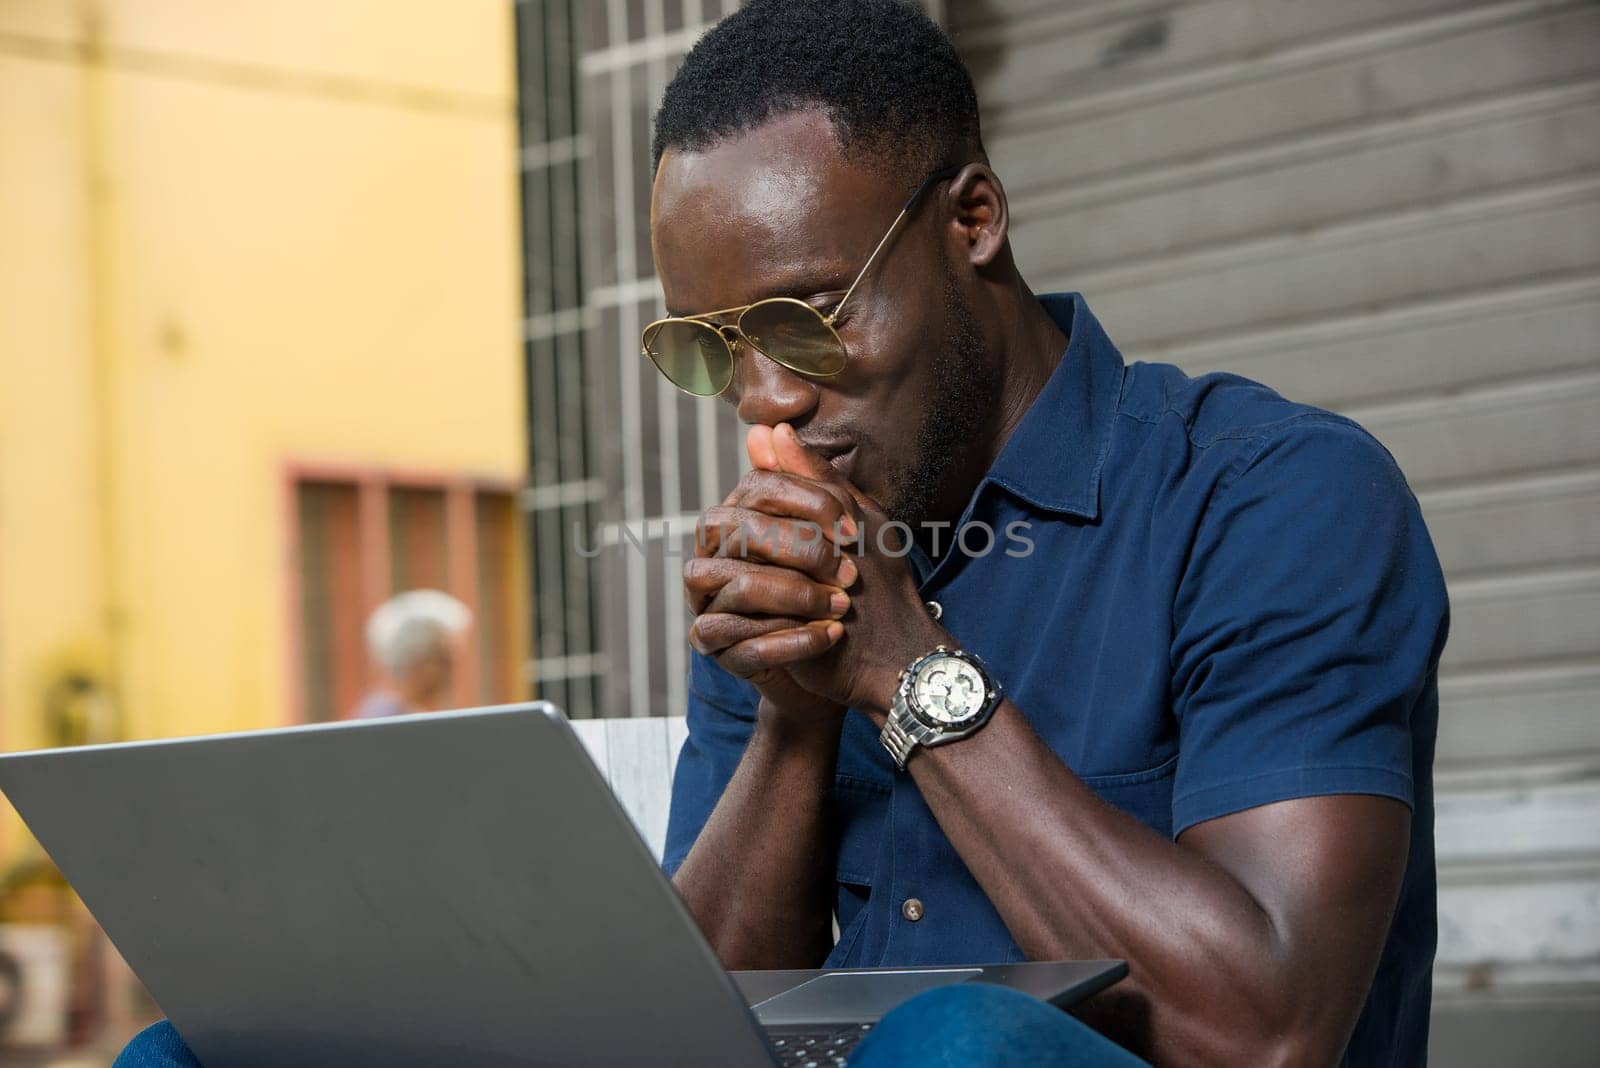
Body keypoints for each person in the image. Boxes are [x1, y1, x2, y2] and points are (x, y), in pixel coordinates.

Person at [117, 1, 1447, 1064]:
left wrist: (909, 675)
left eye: (809, 319)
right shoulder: (801, 555)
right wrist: (799, 719)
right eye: (713, 349)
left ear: (971, 220)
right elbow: (698, 1027)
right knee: (189, 1052)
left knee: (959, 1043)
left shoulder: (1276, 496)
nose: (767, 400)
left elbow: (1264, 1034)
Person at [348, 589, 472, 719]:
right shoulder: (386, 720)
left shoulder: (402, 713)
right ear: (415, 659)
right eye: (443, 659)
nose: (453, 669)